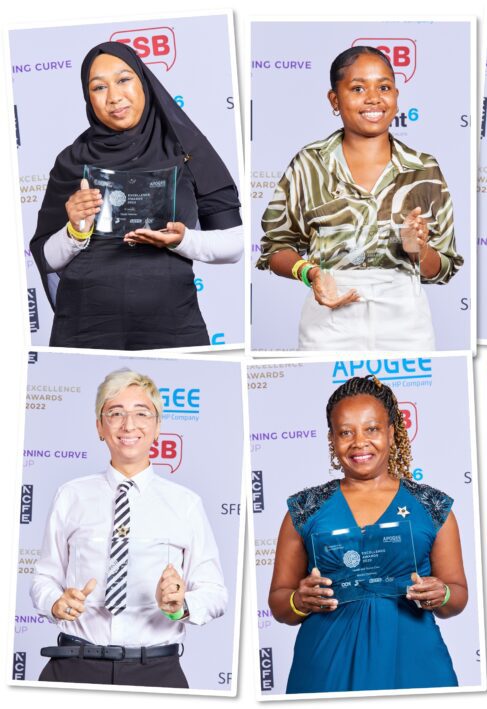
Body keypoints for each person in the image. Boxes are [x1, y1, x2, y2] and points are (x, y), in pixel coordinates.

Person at [29, 42, 243, 350]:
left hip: (173, 326)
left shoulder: (187, 151)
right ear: (88, 97)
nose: (114, 97)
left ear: (143, 82)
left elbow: (235, 246)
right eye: (99, 87)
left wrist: (183, 240)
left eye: (123, 80)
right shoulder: (72, 161)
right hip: (84, 330)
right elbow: (47, 258)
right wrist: (75, 231)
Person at [268, 376, 466, 693]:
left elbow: (457, 595)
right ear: (332, 438)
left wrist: (440, 593)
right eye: (346, 432)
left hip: (413, 667)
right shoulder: (304, 510)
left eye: (372, 429)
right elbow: (279, 603)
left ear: (391, 432)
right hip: (326, 669)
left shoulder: (432, 507)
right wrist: (299, 600)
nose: (359, 442)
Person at [31, 369, 227, 687]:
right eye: (115, 413)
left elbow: (215, 593)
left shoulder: (186, 503)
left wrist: (180, 605)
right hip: (75, 668)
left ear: (157, 427)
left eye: (141, 413)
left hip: (156, 672)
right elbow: (43, 578)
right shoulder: (71, 495)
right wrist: (55, 601)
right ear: (100, 426)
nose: (129, 425)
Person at [258, 46, 463, 351]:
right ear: (334, 99)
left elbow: (442, 268)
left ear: (396, 95)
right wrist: (311, 273)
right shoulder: (309, 164)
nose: (373, 98)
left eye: (384, 87)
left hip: (406, 325)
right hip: (329, 320)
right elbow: (276, 248)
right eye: (357, 88)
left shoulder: (424, 170)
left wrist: (418, 249)